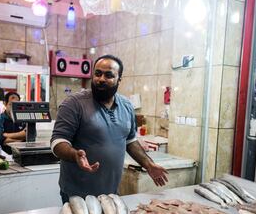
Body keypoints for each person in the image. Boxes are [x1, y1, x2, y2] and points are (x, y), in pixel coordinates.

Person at [51, 54, 168, 204]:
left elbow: (130, 141)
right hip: (77, 194)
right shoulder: (74, 104)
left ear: (119, 79)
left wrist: (148, 164)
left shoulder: (126, 105)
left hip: (111, 192)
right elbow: (57, 142)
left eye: (108, 75)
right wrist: (75, 155)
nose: (101, 79)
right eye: (98, 73)